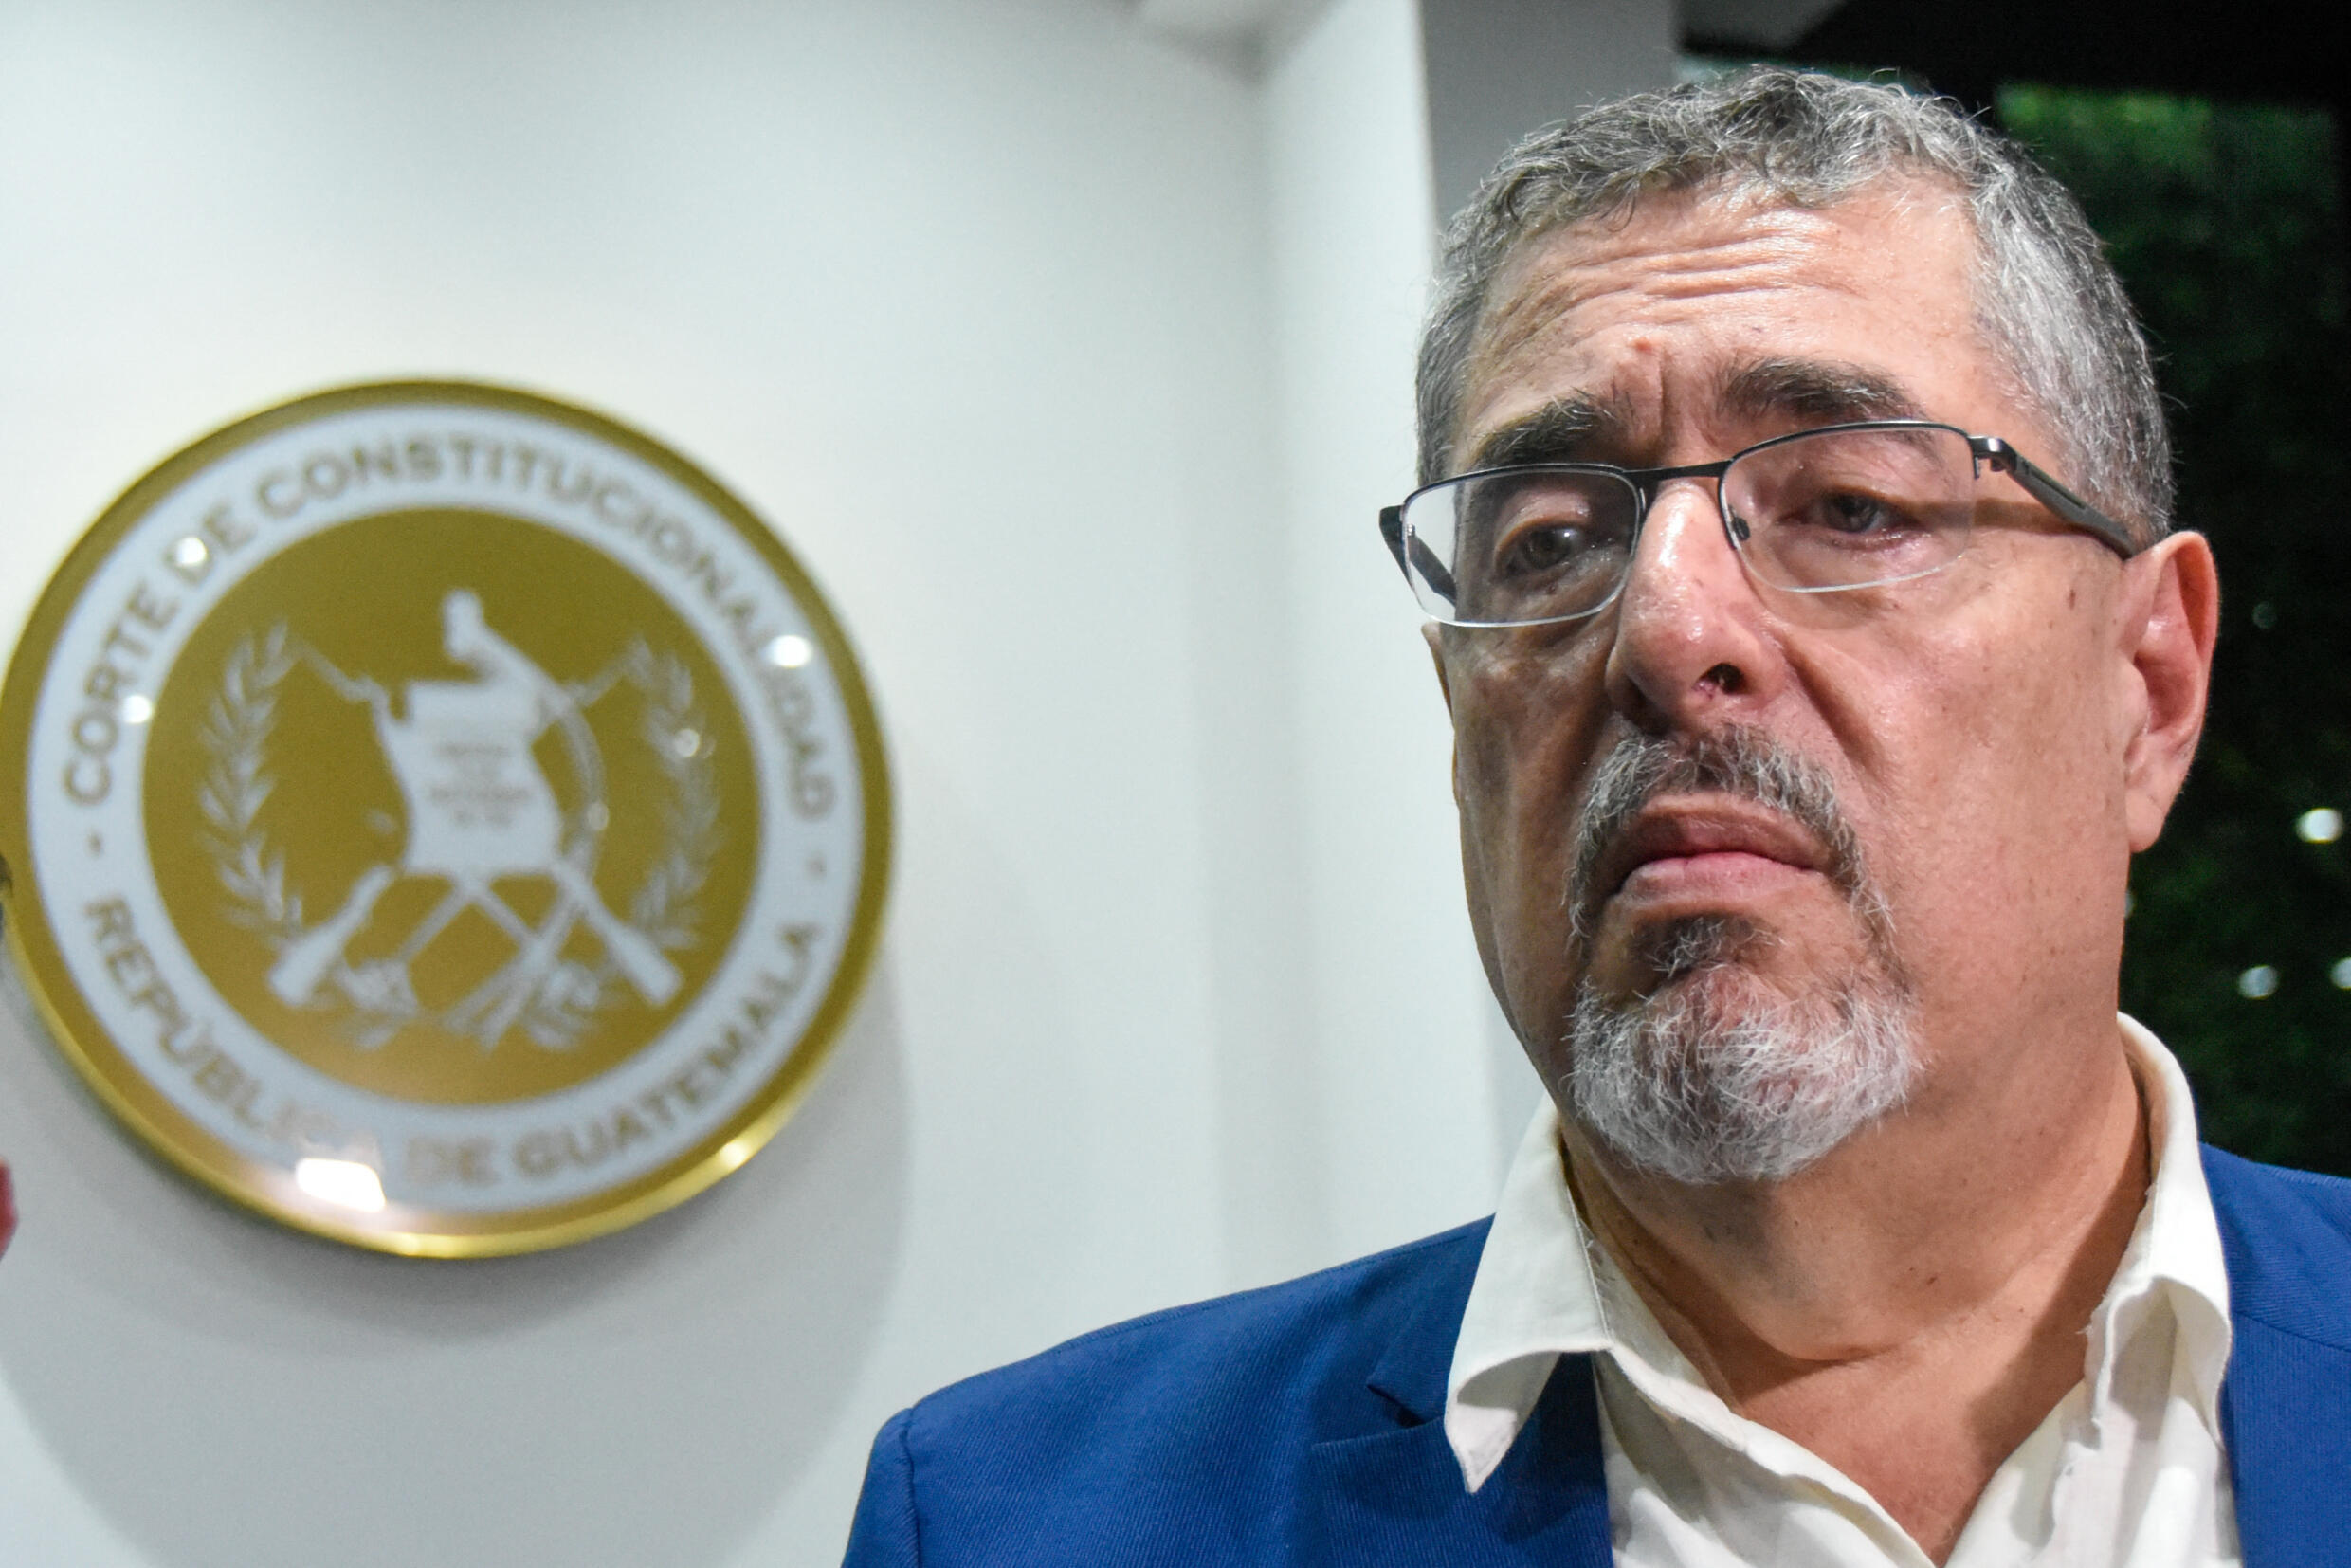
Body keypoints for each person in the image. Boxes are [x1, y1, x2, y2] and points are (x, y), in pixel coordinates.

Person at [842, 67, 2351, 1566]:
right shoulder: (1022, 1518)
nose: (1666, 626)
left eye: (1850, 506)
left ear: (2148, 686)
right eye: (1551, 540)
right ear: (1456, 720)